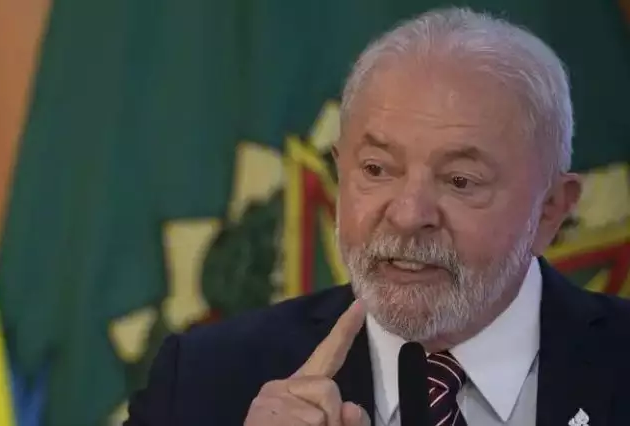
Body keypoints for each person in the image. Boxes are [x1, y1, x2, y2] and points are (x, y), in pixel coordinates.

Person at [125, 7, 630, 426]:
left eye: (460, 180)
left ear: (550, 210)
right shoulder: (203, 382)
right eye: (376, 169)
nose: (408, 215)